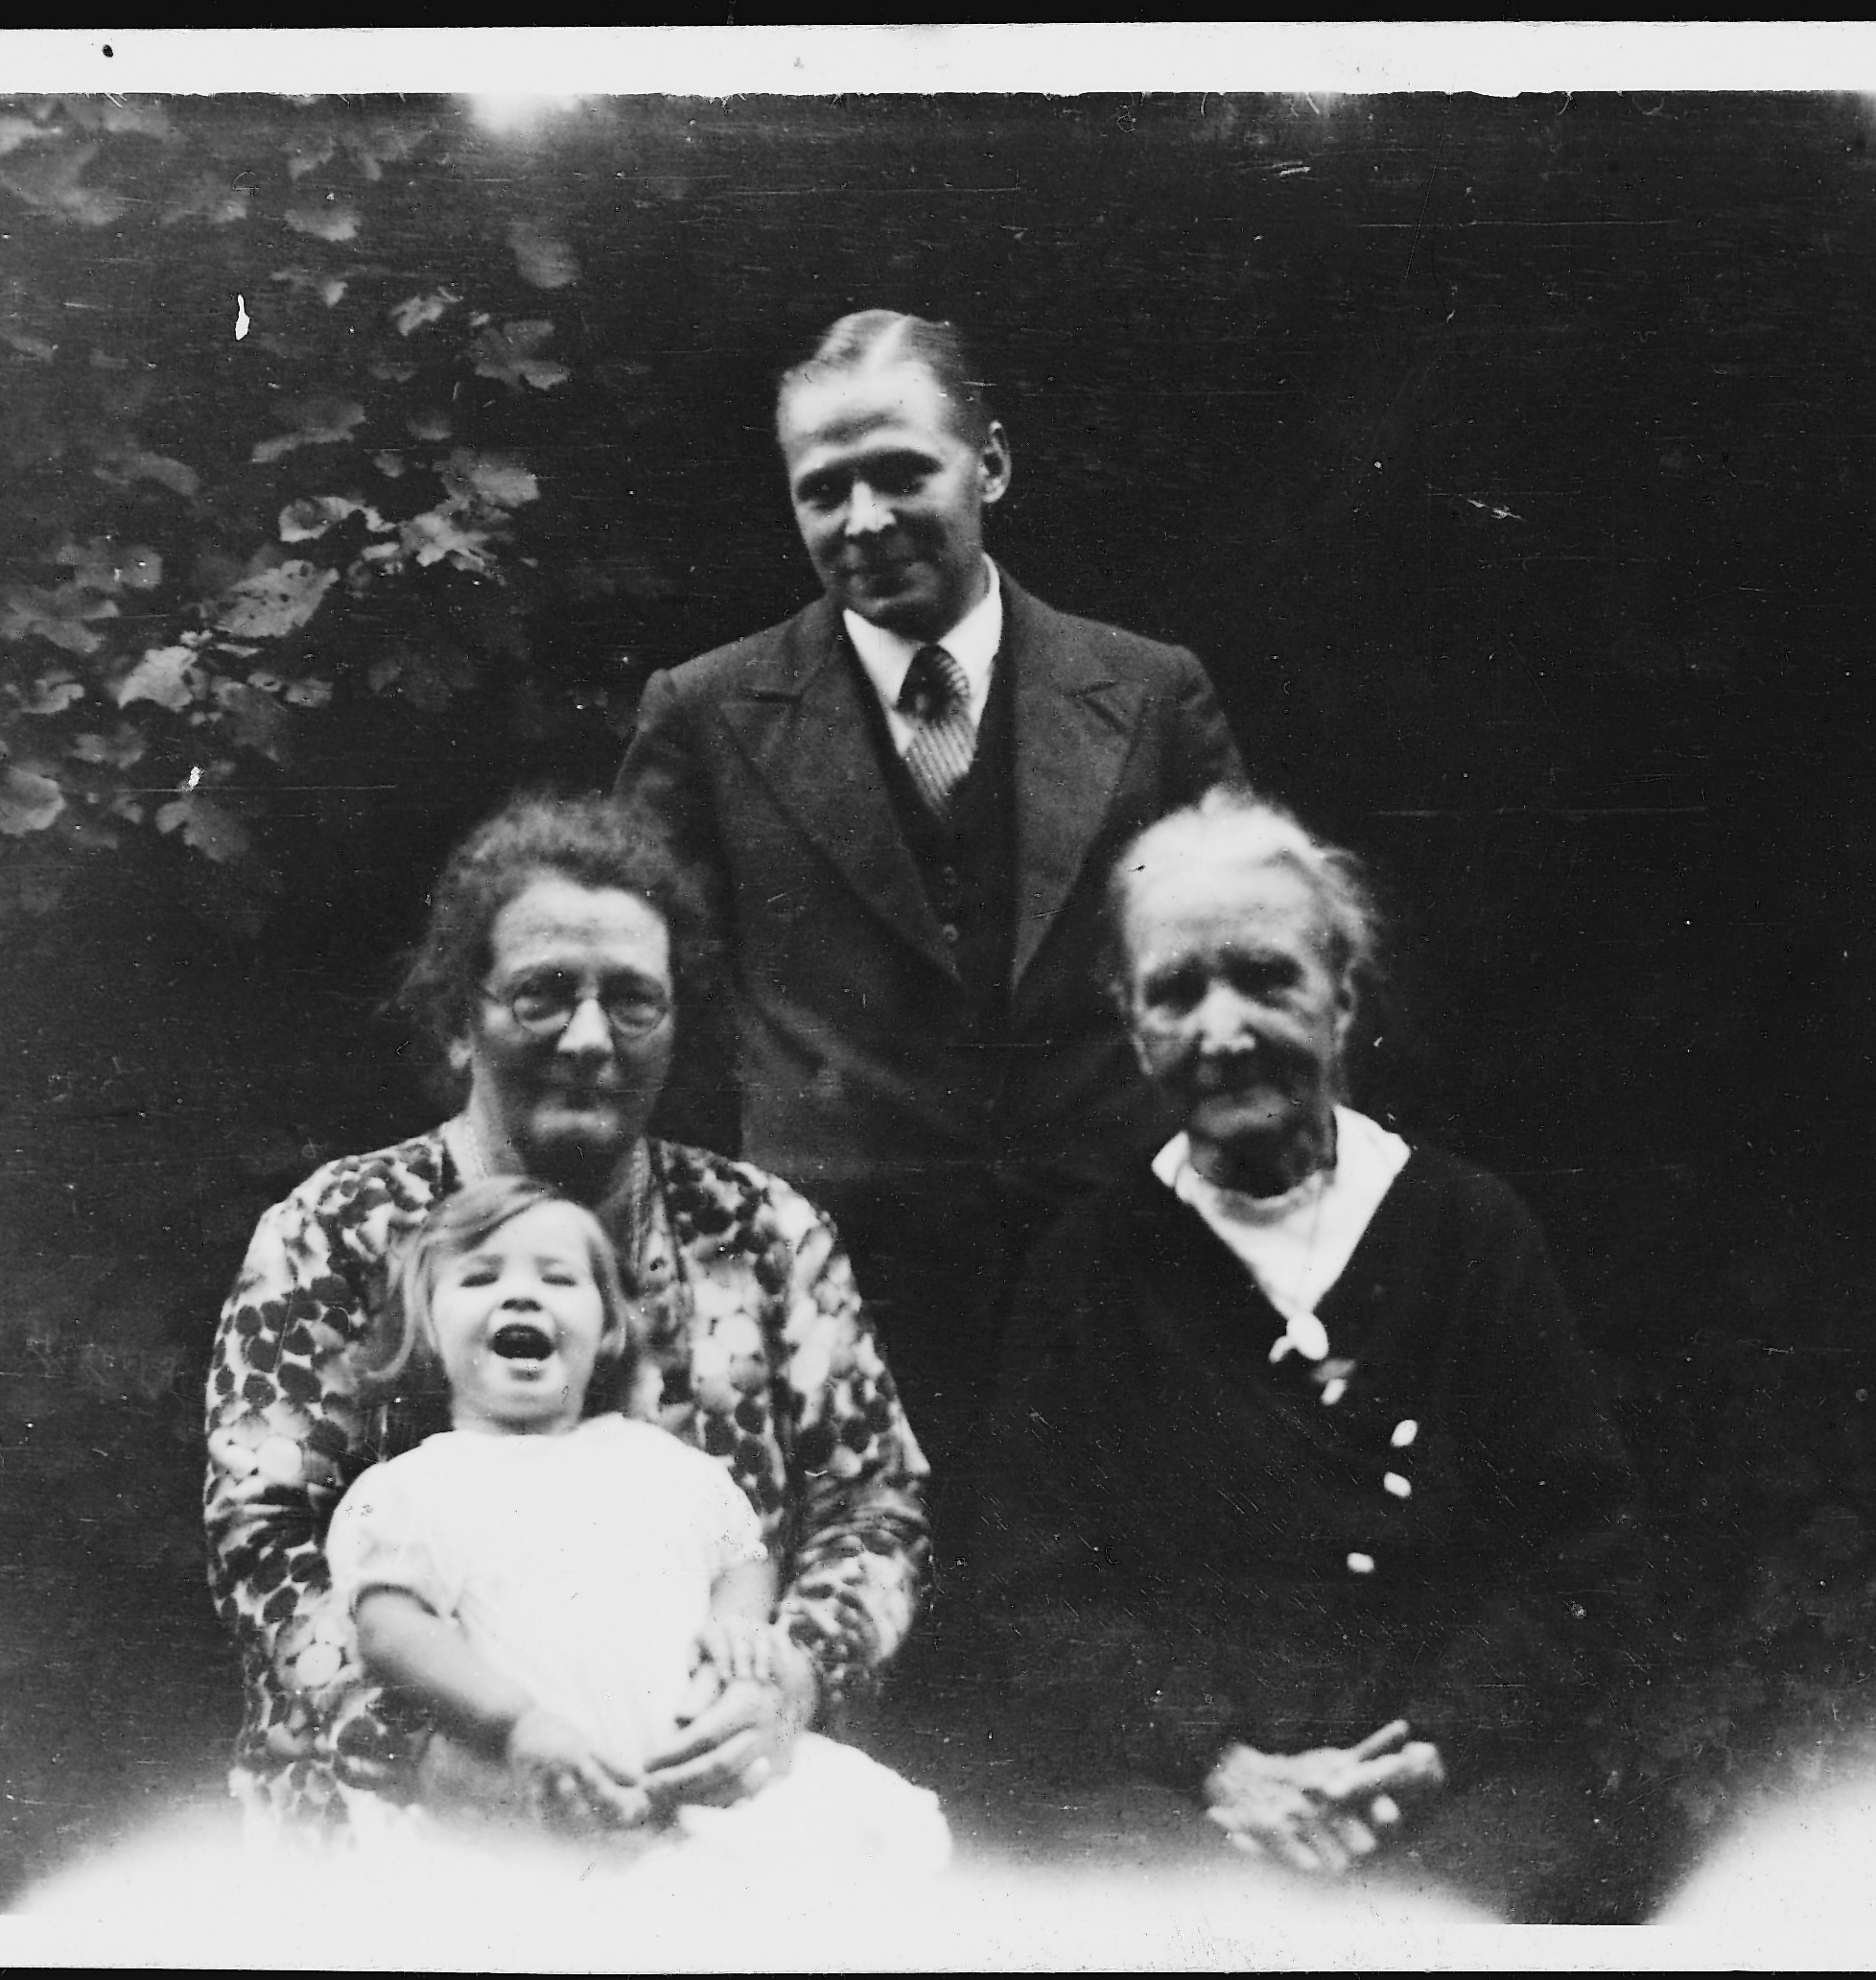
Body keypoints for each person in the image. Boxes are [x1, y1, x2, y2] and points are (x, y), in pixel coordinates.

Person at [972, 787, 1646, 1922]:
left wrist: (1431, 1753)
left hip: (1451, 1789)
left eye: (1266, 977)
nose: (1222, 1031)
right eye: (1176, 992)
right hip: (1181, 1802)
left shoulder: (1469, 1232)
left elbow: (1582, 1560)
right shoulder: (1086, 1271)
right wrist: (1221, 1769)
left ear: (1342, 994)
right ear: (1132, 1025)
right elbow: (1040, 1594)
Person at [203, 790, 929, 1835]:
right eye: (544, 993)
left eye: (633, 1000)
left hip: (711, 1801)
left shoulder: (766, 1235)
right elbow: (263, 1545)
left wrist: (791, 1681)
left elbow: (879, 1510)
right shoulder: (335, 1232)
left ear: (677, 1024)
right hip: (410, 1812)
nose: (591, 1037)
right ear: (460, 1019)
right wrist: (422, 1755)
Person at [612, 310, 1248, 1487]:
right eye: (824, 490)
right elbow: (645, 1011)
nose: (863, 523)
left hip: (1124, 1268)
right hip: (828, 1293)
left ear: (990, 464)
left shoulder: (1153, 696)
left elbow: (1259, 982)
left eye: (903, 474)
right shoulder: (704, 715)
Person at [326, 1175, 948, 1874]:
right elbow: (388, 1627)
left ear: (609, 1328)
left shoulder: (662, 1463)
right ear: (428, 1333)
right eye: (479, 1277)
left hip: (700, 1798)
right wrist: (515, 1727)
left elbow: (743, 1554)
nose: (522, 1292)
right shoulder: (415, 1490)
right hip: (529, 1802)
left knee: (867, 1850)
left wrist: (737, 1628)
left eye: (559, 1277)